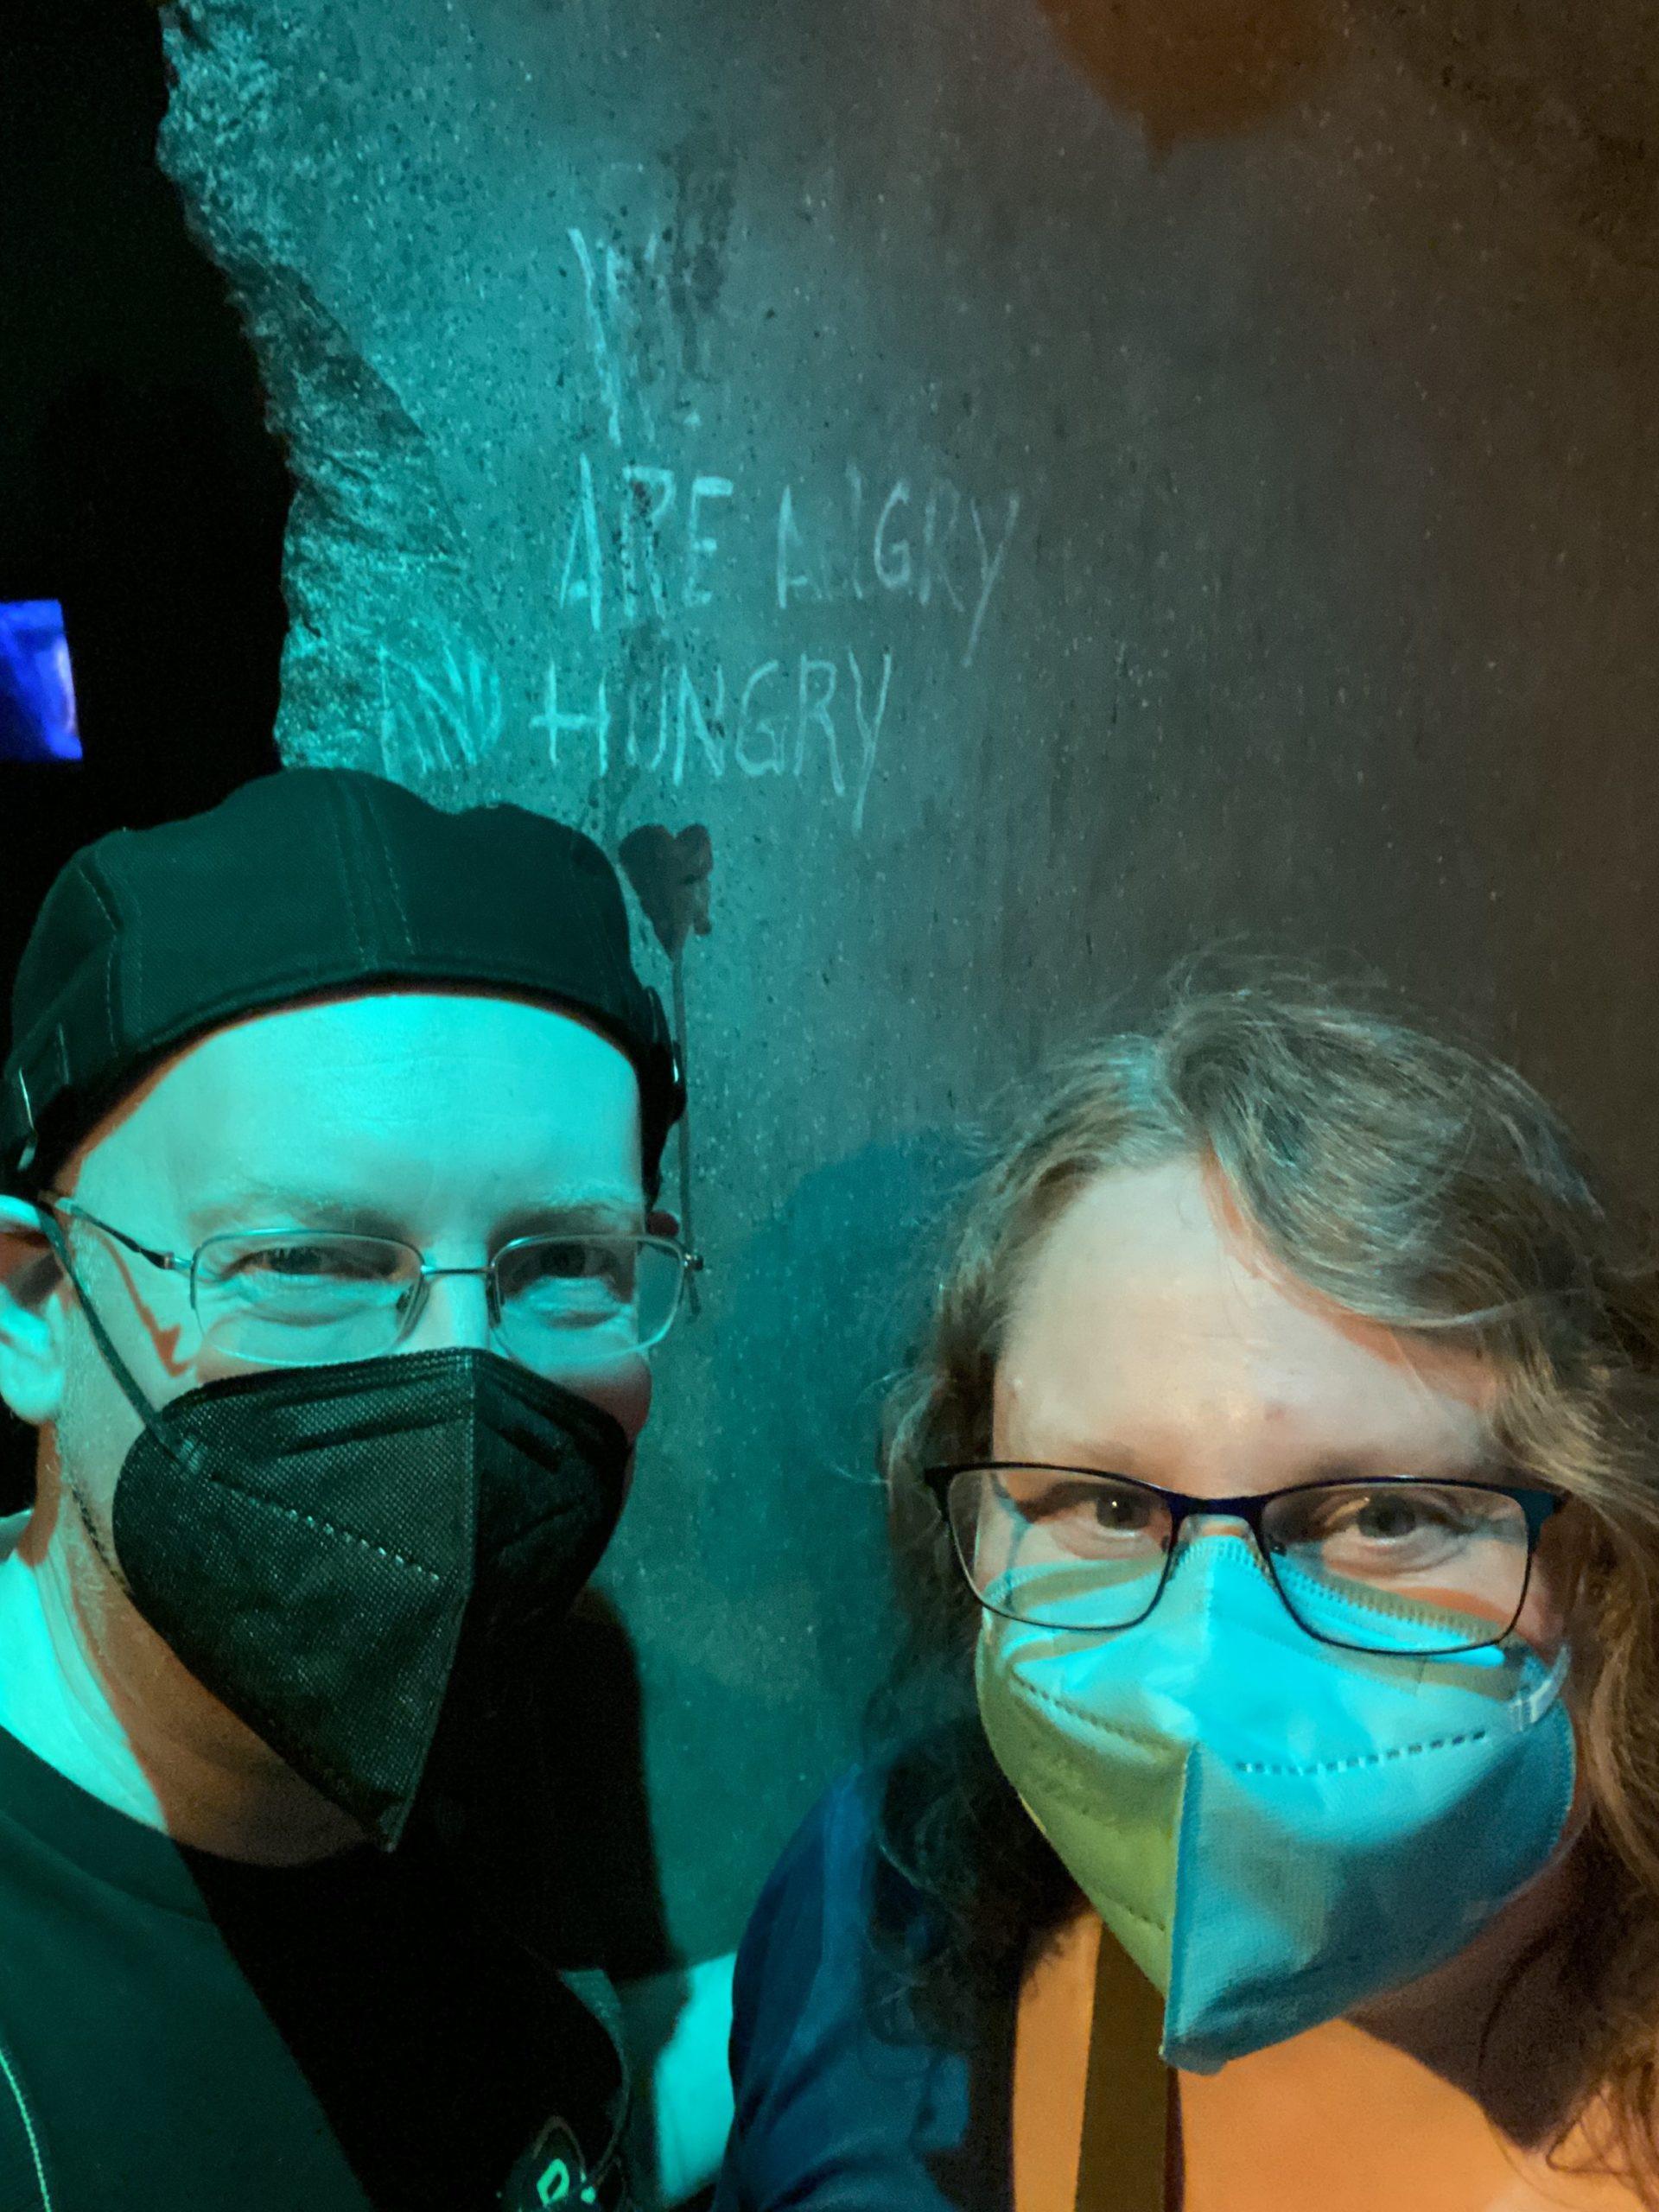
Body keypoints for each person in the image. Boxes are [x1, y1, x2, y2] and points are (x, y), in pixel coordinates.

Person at [715, 974, 1659, 2212]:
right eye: (1109, 1507)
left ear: (1597, 1555)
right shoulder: (878, 1911)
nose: (1205, 1659)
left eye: (1384, 1516)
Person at [0, 765, 709, 2211]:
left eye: (564, 1263)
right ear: (29, 1302)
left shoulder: (516, 1783)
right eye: (307, 1266)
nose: (459, 1379)